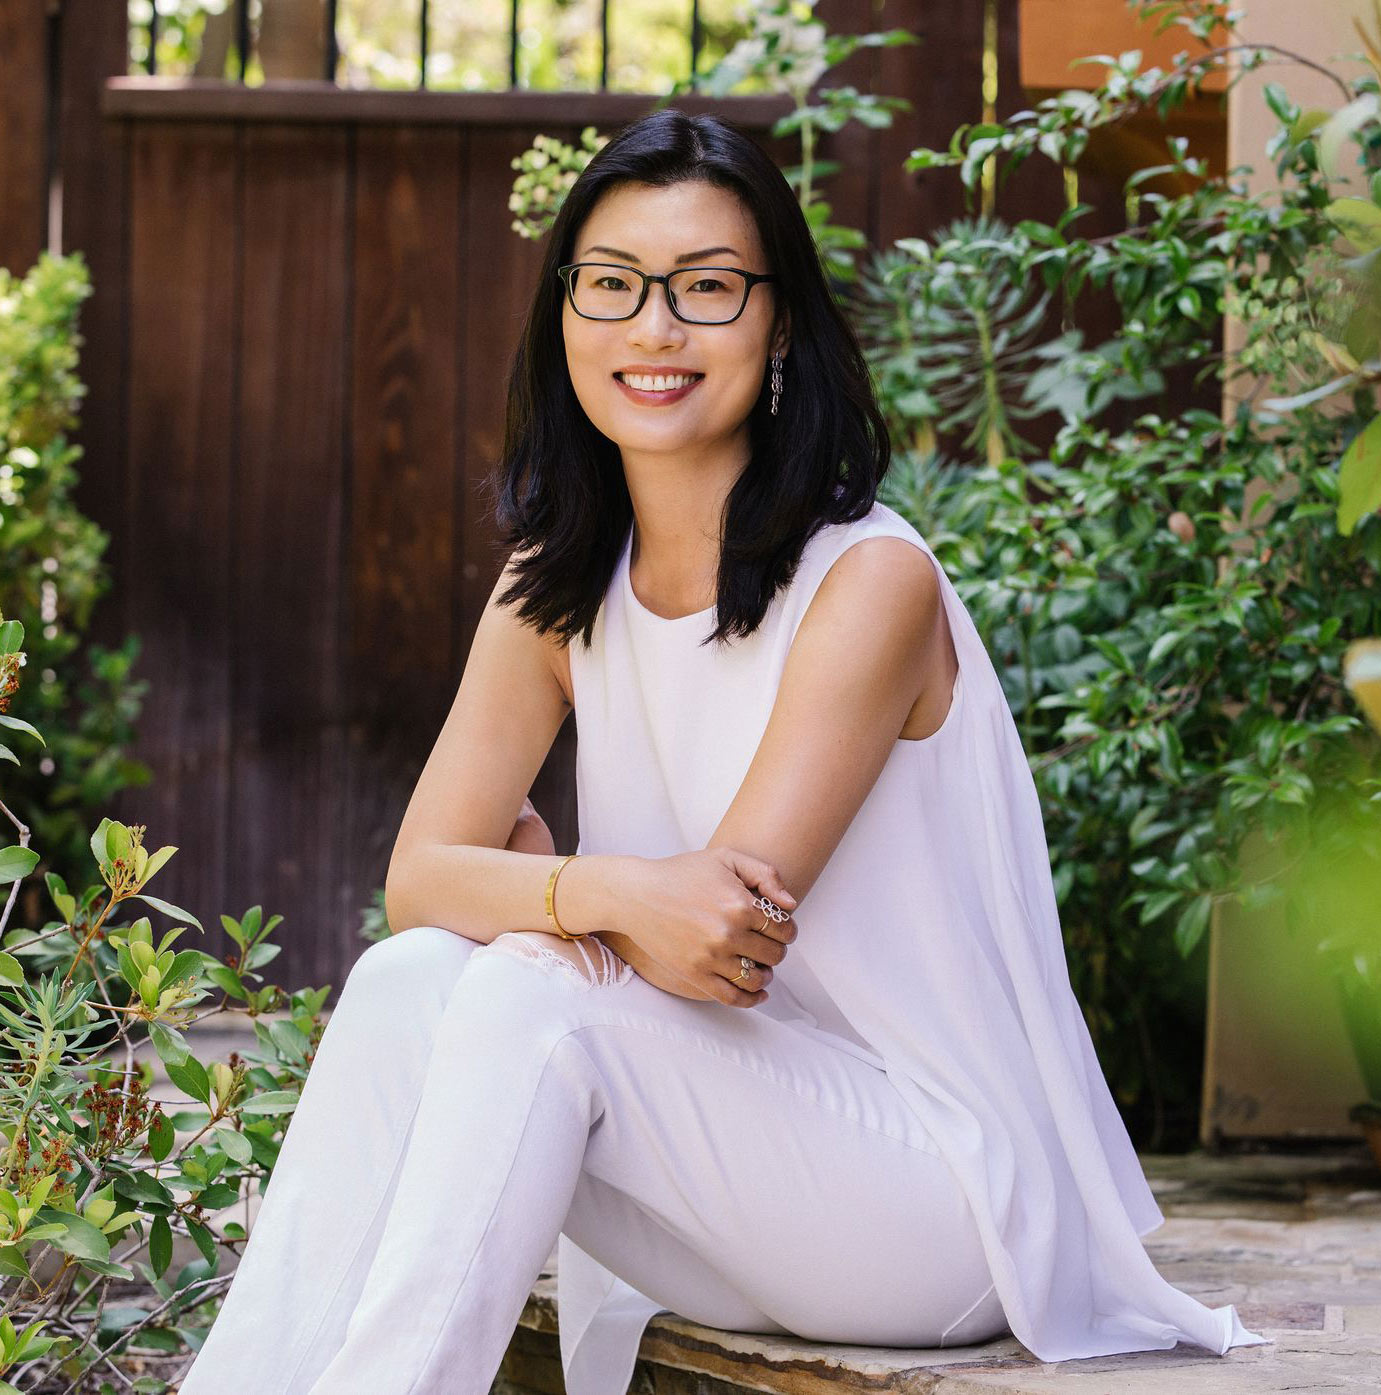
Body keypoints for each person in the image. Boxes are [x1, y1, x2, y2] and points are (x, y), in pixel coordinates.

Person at [177, 109, 1271, 1395]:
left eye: (706, 289)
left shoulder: (868, 581)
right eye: (613, 285)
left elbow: (717, 938)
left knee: (530, 986)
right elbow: (420, 884)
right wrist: (593, 893)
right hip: (719, 1187)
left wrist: (541, 893)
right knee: (413, 977)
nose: (653, 329)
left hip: (932, 1203)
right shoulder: (557, 583)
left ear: (781, 322)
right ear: (565, 313)